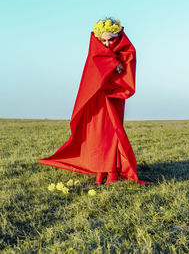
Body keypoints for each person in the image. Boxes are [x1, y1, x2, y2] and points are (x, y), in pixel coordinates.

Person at [38, 17, 149, 185]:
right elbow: (93, 73)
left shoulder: (126, 51)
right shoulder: (96, 53)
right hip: (96, 99)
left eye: (110, 39)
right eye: (103, 40)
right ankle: (100, 171)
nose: (106, 43)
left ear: (118, 37)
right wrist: (112, 64)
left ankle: (111, 171)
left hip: (113, 99)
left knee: (112, 133)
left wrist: (117, 64)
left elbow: (127, 72)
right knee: (98, 134)